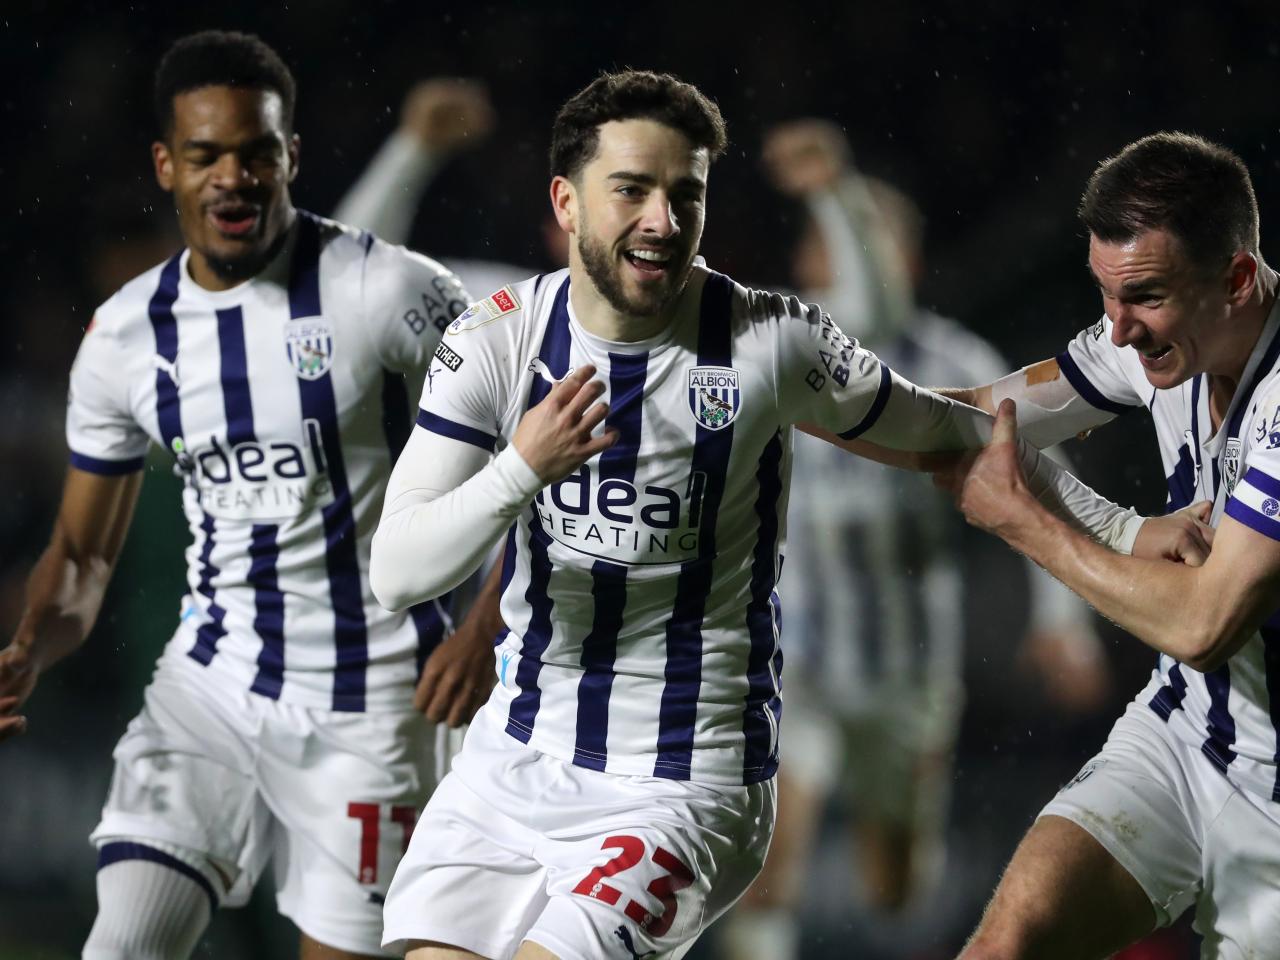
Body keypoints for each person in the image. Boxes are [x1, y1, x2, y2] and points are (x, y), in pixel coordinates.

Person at [367, 70, 1170, 960]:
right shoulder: (493, 337)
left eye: (685, 195)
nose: (662, 221)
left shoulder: (770, 339)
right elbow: (397, 572)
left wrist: (1129, 531)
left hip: (680, 780)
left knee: (893, 884)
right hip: (512, 766)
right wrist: (522, 468)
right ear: (566, 202)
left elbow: (956, 430)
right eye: (630, 190)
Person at [0, 30, 491, 960]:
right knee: (122, 947)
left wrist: (487, 628)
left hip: (376, 703)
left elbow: (549, 456)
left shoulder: (393, 291)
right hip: (213, 686)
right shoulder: (123, 336)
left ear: (290, 156)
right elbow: (82, 554)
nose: (233, 177)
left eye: (256, 153)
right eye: (205, 156)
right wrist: (32, 646)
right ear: (166, 166)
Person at [718, 120, 1109, 960]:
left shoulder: (954, 363)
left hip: (906, 666)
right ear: (807, 262)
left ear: (909, 262)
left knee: (894, 886)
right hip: (794, 657)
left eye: (864, 243)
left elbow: (1046, 485)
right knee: (768, 863)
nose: (842, 261)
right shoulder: (783, 351)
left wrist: (1063, 621)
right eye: (827, 243)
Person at [936, 131, 1280, 959]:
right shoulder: (1158, 339)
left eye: (1145, 297)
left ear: (1236, 279)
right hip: (1183, 733)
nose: (1119, 333)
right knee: (1005, 946)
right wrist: (786, 390)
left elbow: (1202, 624)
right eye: (1106, 295)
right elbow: (968, 420)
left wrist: (1023, 522)